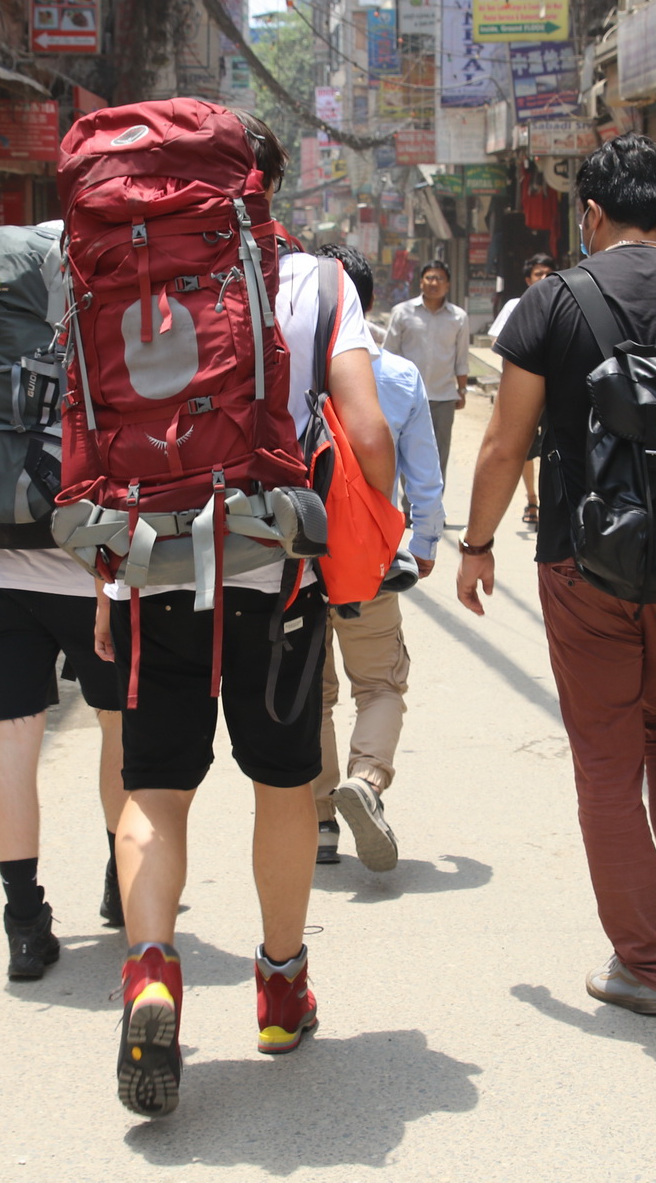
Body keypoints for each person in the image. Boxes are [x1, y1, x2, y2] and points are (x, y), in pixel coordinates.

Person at [104, 113, 395, 1117]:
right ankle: (278, 986)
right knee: (282, 779)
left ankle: (150, 972)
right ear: (267, 184)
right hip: (275, 572)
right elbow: (365, 428)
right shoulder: (317, 283)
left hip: (149, 564)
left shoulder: (122, 268)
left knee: (154, 785)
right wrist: (367, 540)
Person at [457, 135, 656, 1017]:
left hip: (582, 557)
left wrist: (478, 542)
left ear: (591, 215)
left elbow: (503, 444)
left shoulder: (550, 304)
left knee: (607, 758)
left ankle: (643, 962)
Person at [310, 243, 445, 872]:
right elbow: (423, 475)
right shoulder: (396, 377)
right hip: (367, 559)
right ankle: (365, 780)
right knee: (380, 683)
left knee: (313, 693)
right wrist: (422, 547)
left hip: (297, 562)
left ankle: (320, 826)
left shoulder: (286, 371)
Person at [0, 542, 127, 979]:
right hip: (89, 579)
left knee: (10, 738)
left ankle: (23, 923)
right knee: (119, 725)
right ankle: (125, 881)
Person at [384, 258, 473, 481]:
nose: (434, 282)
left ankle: (433, 510)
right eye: (429, 277)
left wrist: (461, 391)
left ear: (448, 284)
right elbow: (389, 354)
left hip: (443, 397)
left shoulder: (458, 317)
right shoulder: (402, 312)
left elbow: (461, 359)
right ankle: (408, 508)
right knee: (406, 450)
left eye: (439, 278)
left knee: (439, 452)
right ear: (421, 282)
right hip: (407, 397)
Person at [488, 252, 556, 528]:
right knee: (523, 446)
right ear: (528, 279)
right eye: (538, 274)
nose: (543, 278)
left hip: (556, 389)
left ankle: (553, 503)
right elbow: (498, 339)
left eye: (548, 273)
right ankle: (532, 499)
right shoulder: (517, 305)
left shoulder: (564, 301)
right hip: (524, 389)